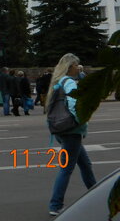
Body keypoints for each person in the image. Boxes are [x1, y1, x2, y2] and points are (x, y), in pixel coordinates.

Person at [46, 53, 97, 216]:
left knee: (85, 165)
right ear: (70, 67)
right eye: (76, 65)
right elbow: (75, 103)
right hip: (72, 131)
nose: (78, 67)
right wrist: (81, 119)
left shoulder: (58, 82)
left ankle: (95, 194)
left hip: (62, 130)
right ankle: (55, 205)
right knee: (66, 169)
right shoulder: (69, 82)